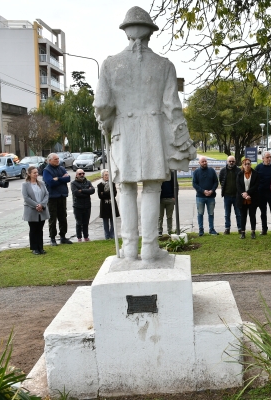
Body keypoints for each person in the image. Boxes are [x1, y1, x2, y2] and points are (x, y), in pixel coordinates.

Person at [93, 6, 196, 261]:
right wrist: (182, 141)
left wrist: (103, 121)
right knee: (151, 188)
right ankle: (149, 247)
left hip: (122, 135)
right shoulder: (164, 65)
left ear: (126, 33)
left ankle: (130, 249)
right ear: (150, 33)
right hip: (153, 134)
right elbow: (173, 107)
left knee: (125, 189)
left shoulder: (109, 65)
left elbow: (102, 105)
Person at [42, 153, 73, 246]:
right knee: (52, 218)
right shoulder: (46, 170)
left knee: (63, 216)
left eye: (58, 159)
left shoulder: (61, 168)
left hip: (62, 195)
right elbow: (50, 182)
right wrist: (61, 179)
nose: (57, 160)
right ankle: (52, 238)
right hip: (52, 197)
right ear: (50, 160)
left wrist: (58, 179)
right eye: (55, 159)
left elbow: (68, 178)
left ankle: (63, 236)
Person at [21, 166, 50, 255]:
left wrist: (42, 204)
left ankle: (40, 247)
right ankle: (34, 248)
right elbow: (26, 198)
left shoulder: (41, 183)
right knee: (33, 229)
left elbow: (46, 194)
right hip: (32, 210)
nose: (36, 174)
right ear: (29, 174)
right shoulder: (25, 185)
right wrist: (36, 205)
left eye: (37, 172)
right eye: (34, 173)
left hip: (42, 209)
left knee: (40, 229)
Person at [192, 156, 219, 236]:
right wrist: (203, 191)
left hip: (211, 197)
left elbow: (216, 182)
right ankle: (201, 230)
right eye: (202, 162)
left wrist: (212, 190)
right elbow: (194, 184)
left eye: (205, 161)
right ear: (199, 163)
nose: (204, 163)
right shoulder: (196, 172)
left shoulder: (212, 171)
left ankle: (211, 229)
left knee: (211, 213)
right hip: (200, 197)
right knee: (200, 213)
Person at [255, 151, 271, 235]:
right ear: (262, 158)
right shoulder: (258, 168)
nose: (269, 159)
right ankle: (264, 229)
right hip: (261, 193)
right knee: (263, 212)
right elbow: (255, 181)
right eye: (267, 157)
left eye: (270, 157)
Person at [236, 158, 260, 239]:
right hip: (242, 198)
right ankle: (243, 233)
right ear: (243, 165)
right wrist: (244, 194)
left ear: (251, 164)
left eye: (249, 164)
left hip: (252, 198)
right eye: (245, 164)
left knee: (252, 215)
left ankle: (253, 232)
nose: (247, 165)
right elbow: (238, 186)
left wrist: (248, 193)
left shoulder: (255, 173)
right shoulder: (239, 174)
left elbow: (256, 186)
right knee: (243, 216)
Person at [70, 169, 96, 242]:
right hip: (77, 206)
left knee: (86, 222)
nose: (82, 175)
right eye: (80, 174)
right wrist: (87, 192)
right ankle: (79, 237)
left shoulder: (88, 182)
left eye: (83, 173)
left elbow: (93, 190)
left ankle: (86, 236)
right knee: (79, 222)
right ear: (76, 175)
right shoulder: (73, 183)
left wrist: (82, 190)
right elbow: (76, 193)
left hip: (87, 205)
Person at [219, 155, 241, 234]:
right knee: (227, 214)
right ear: (227, 161)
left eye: (233, 161)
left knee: (238, 213)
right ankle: (227, 228)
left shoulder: (239, 171)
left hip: (236, 196)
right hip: (227, 196)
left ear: (235, 162)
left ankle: (240, 228)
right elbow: (221, 181)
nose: (231, 163)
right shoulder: (223, 171)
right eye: (230, 161)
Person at [97, 169, 119, 240]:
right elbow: (100, 196)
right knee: (105, 221)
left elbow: (114, 194)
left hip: (112, 204)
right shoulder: (99, 185)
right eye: (106, 175)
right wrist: (108, 194)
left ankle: (112, 235)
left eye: (108, 175)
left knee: (113, 221)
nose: (107, 176)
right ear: (102, 176)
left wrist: (104, 193)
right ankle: (107, 235)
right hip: (104, 205)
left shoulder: (112, 184)